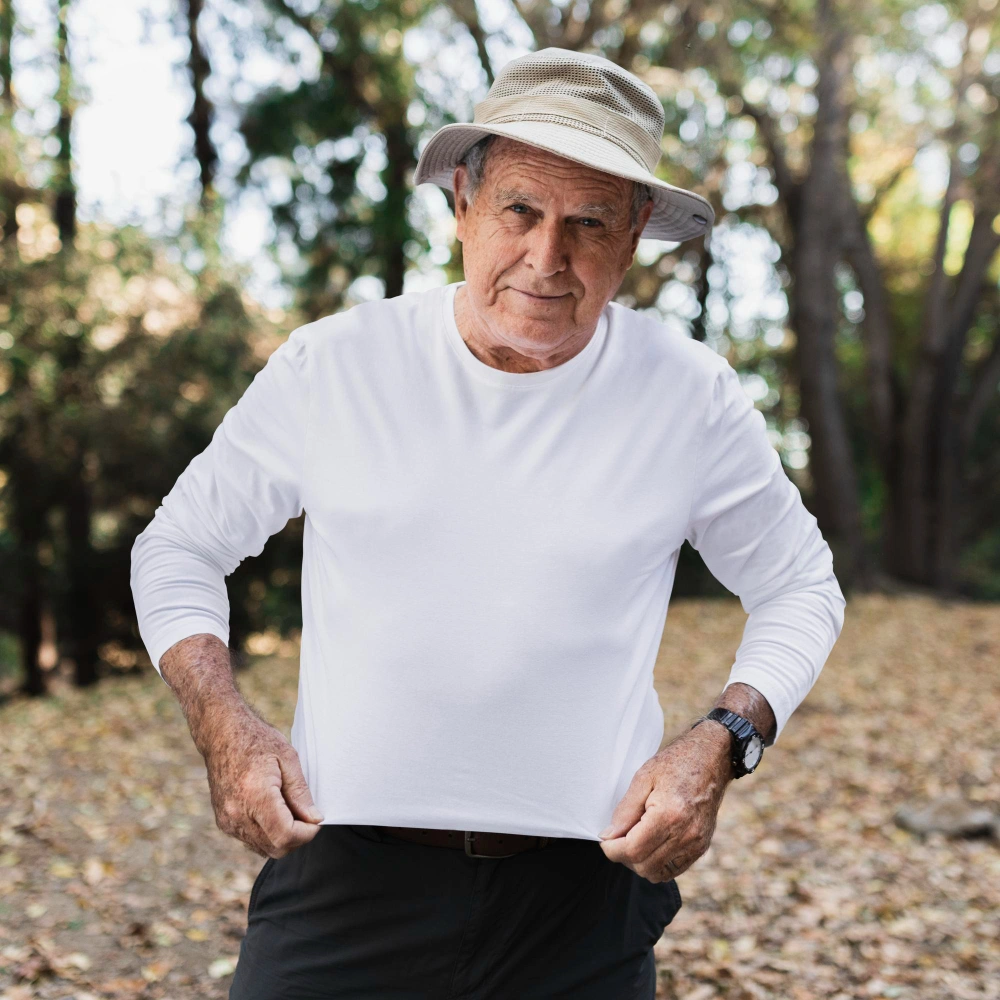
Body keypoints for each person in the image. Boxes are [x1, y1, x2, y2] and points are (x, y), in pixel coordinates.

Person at [130, 46, 846, 1000]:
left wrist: (721, 739)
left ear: (635, 236)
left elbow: (801, 585)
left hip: (582, 897)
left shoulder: (690, 396)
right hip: (344, 873)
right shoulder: (334, 367)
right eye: (521, 210)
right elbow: (177, 548)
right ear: (462, 201)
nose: (547, 259)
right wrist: (224, 724)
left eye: (589, 223)